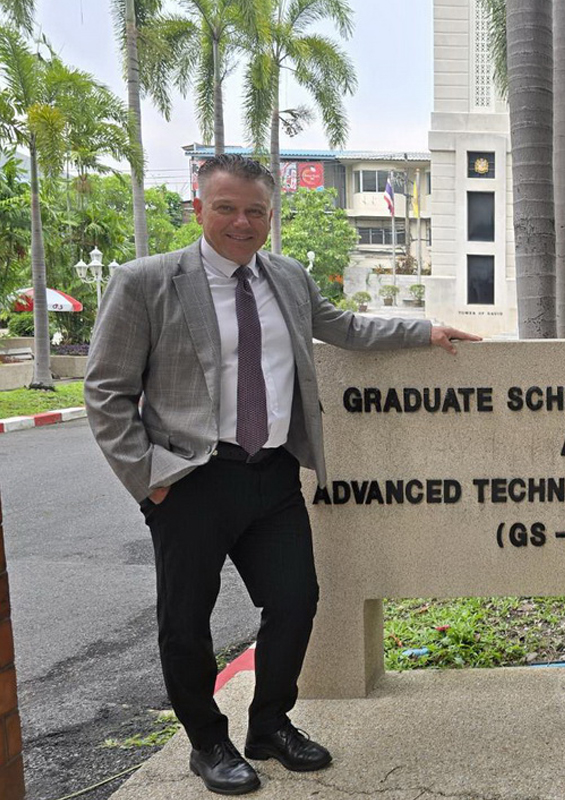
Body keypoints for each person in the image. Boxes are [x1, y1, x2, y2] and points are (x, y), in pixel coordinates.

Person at [84, 154, 480, 795]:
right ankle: (207, 742)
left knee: (296, 600)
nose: (242, 222)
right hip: (190, 480)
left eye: (256, 211)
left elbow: (344, 327)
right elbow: (106, 391)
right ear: (199, 208)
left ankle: (269, 725)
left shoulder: (288, 276)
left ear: (271, 215)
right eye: (226, 208)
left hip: (272, 473)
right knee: (186, 621)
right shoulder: (145, 282)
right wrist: (150, 479)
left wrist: (426, 331)